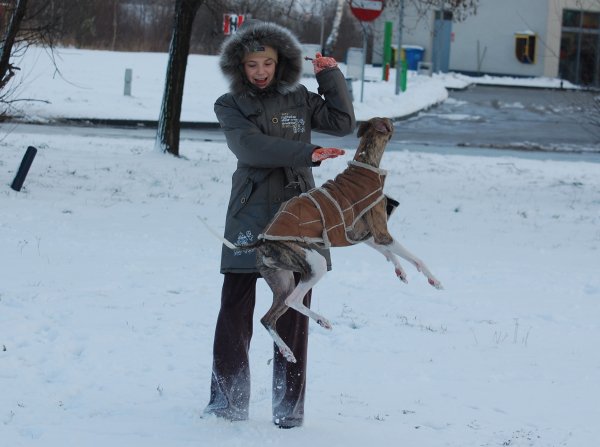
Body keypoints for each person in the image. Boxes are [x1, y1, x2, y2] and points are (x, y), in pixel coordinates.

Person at [203, 20, 356, 429]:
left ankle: (289, 408)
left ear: (280, 63)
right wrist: (308, 153)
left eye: (267, 63)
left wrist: (330, 76)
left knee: (294, 304)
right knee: (235, 303)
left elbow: (343, 123)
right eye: (252, 64)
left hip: (298, 210)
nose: (260, 72)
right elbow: (248, 146)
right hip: (250, 208)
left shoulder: (300, 97)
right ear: (240, 66)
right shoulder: (228, 104)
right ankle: (227, 402)